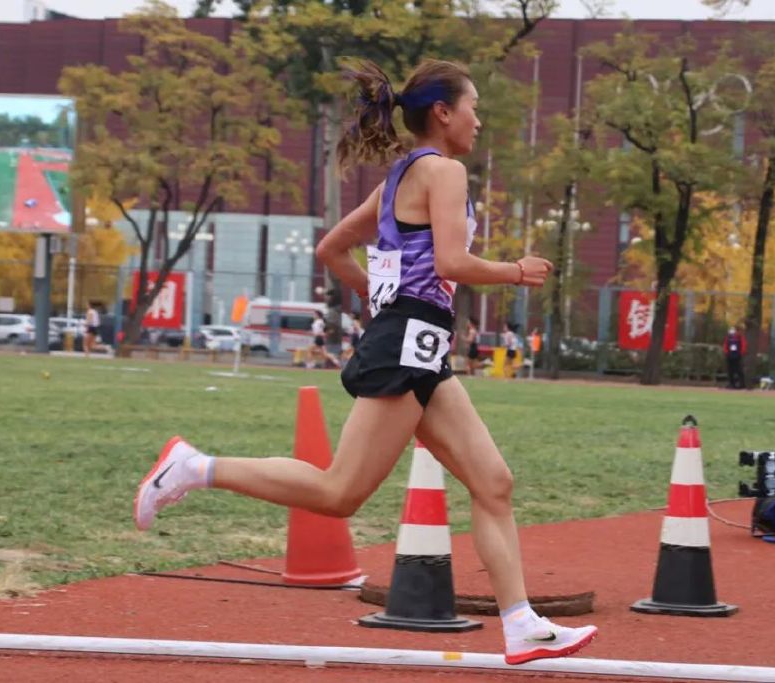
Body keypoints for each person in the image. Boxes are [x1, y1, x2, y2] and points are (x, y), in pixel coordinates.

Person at [133, 59, 597, 665]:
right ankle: (194, 467)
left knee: (494, 483)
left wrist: (385, 303)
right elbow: (453, 263)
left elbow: (333, 248)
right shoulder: (444, 171)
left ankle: (520, 624)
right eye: (474, 107)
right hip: (409, 342)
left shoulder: (400, 177)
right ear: (443, 113)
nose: (479, 119)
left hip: (420, 344)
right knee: (339, 492)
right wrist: (515, 272)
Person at [724, 325, 746, 389]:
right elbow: (725, 345)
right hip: (730, 355)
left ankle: (741, 384)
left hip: (737, 355)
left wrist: (741, 353)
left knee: (738, 370)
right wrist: (726, 352)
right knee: (730, 370)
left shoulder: (739, 337)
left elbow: (743, 345)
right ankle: (731, 383)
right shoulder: (728, 337)